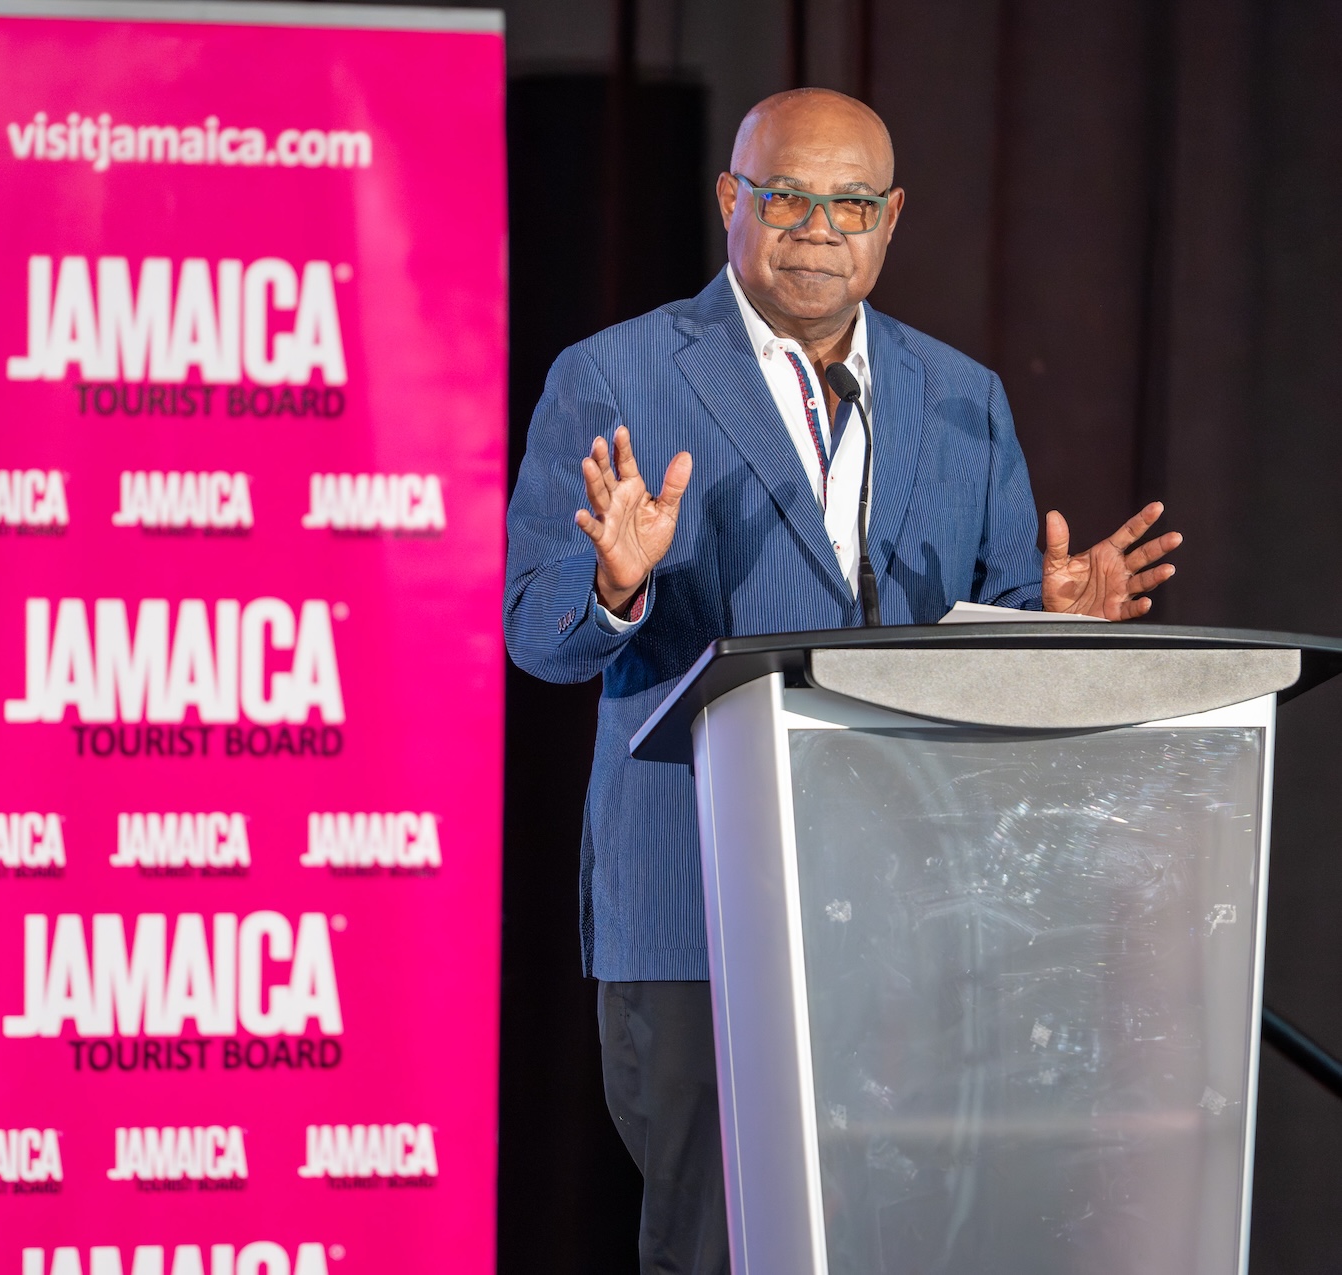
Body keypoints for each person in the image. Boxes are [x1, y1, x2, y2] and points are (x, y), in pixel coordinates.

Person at [503, 88, 1181, 1274]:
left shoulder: (963, 397)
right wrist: (615, 588)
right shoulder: (613, 377)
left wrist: (1051, 623)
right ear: (732, 201)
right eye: (788, 197)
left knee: (910, 1239)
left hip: (919, 922)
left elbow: (991, 634)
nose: (819, 227)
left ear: (893, 218)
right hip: (700, 915)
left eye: (851, 203)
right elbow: (536, 635)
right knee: (723, 1245)